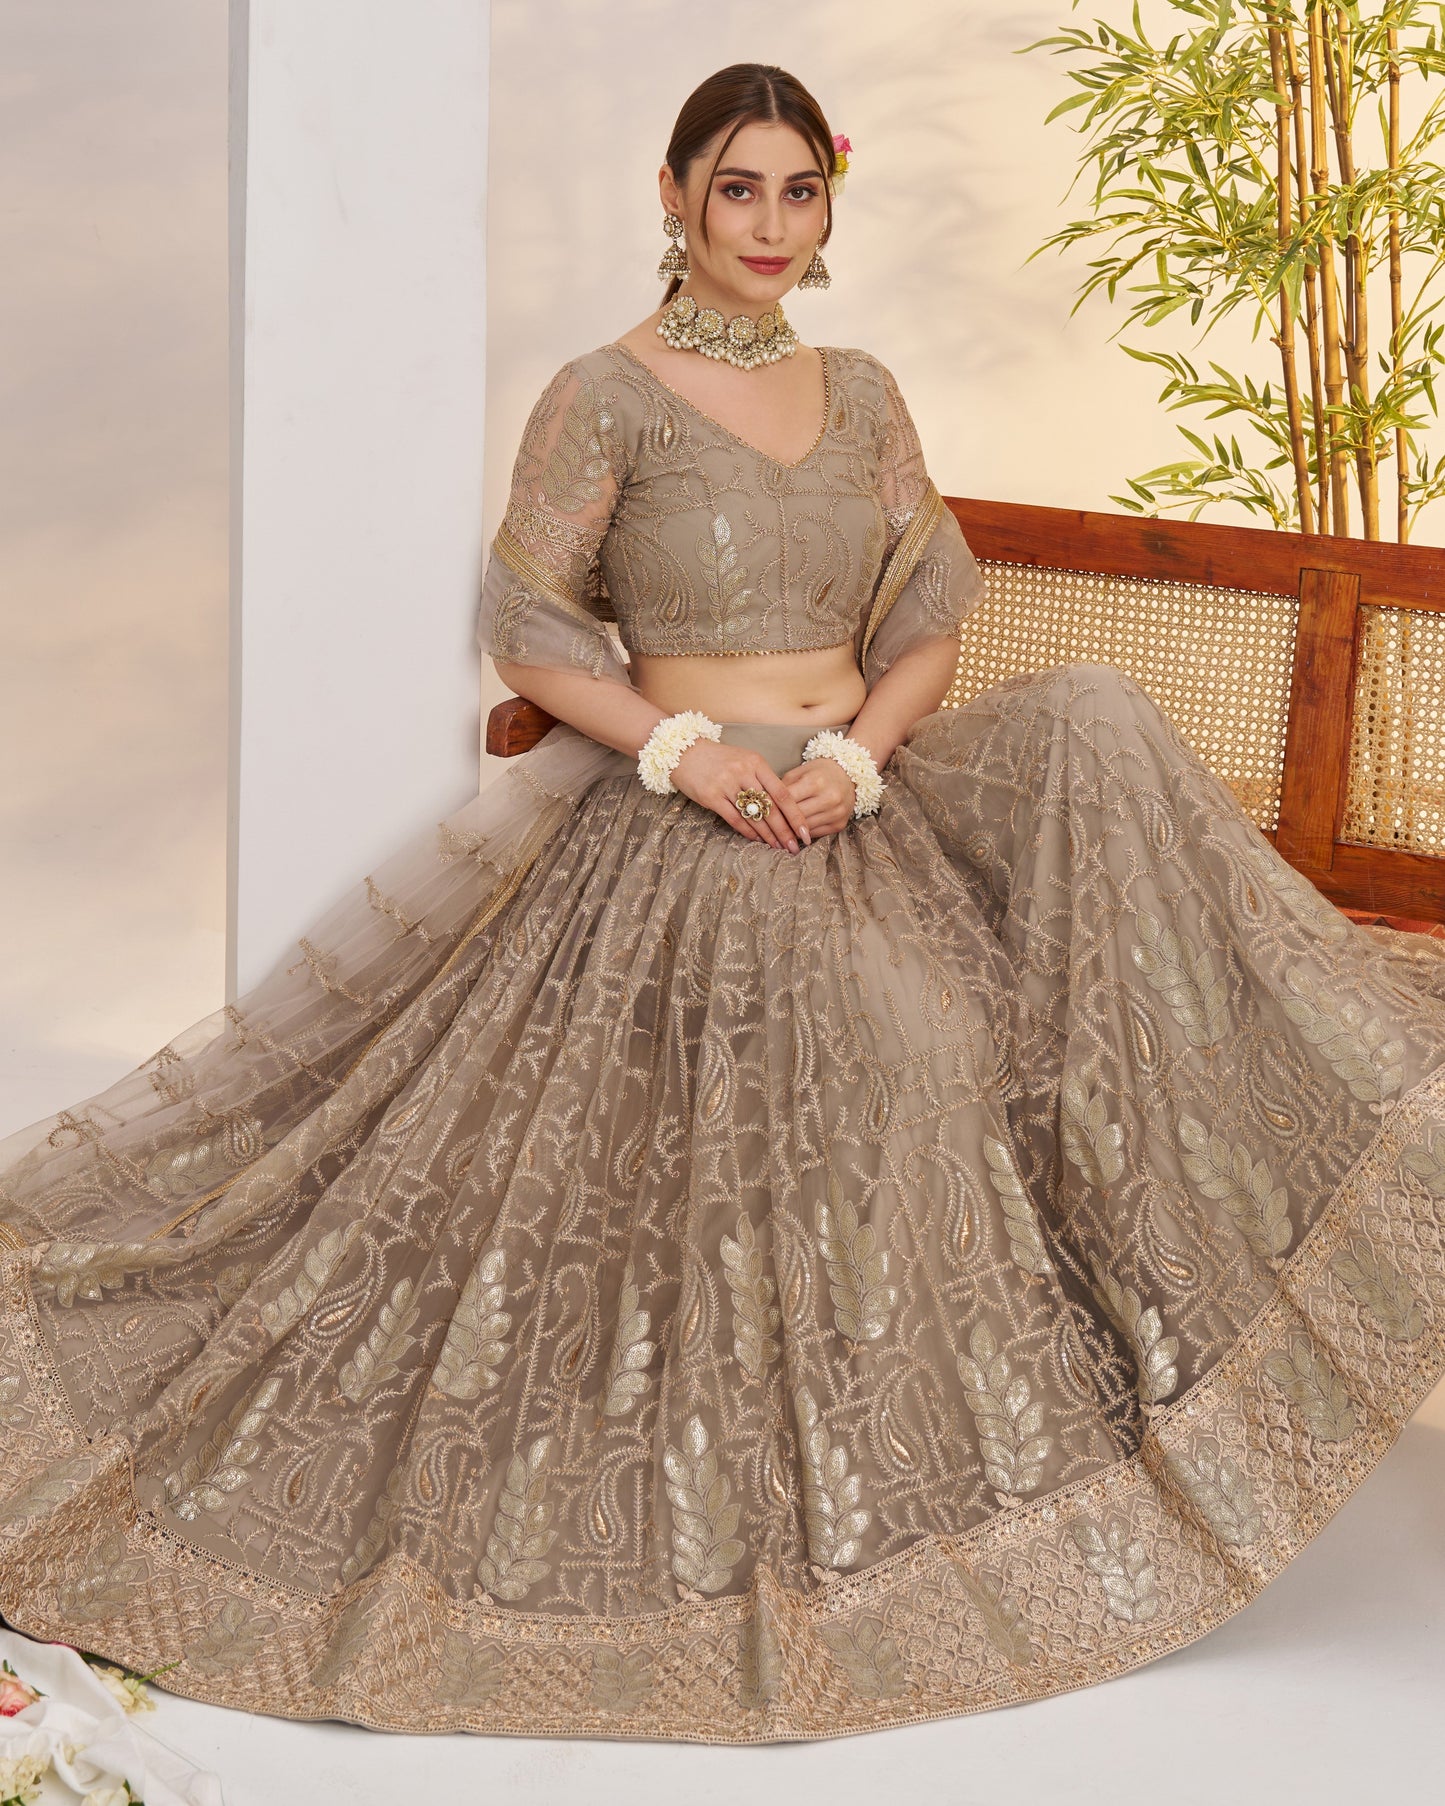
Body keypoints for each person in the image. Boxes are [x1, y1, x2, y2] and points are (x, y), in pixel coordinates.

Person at [2, 60, 1444, 1746]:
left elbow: (926, 621)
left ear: (831, 202)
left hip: (851, 793)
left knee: (1087, 737)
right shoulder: (602, 395)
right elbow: (533, 632)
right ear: (678, 194)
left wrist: (869, 761)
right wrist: (683, 749)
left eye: (798, 191)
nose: (767, 223)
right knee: (847, 1019)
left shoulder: (868, 391)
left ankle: (1341, 1164)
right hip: (689, 803)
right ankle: (774, 1484)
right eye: (736, 187)